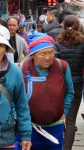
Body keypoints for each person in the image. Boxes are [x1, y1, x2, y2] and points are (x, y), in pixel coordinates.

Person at [15, 30, 74, 150]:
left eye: (51, 52)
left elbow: (70, 92)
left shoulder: (62, 66)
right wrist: (17, 116)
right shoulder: (20, 69)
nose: (48, 57)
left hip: (55, 127)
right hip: (27, 128)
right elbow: (12, 96)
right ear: (32, 55)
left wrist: (65, 111)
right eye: (42, 54)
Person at [55, 15, 84, 150]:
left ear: (63, 25)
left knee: (56, 118)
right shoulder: (83, 42)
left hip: (59, 85)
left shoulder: (58, 42)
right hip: (77, 84)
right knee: (71, 121)